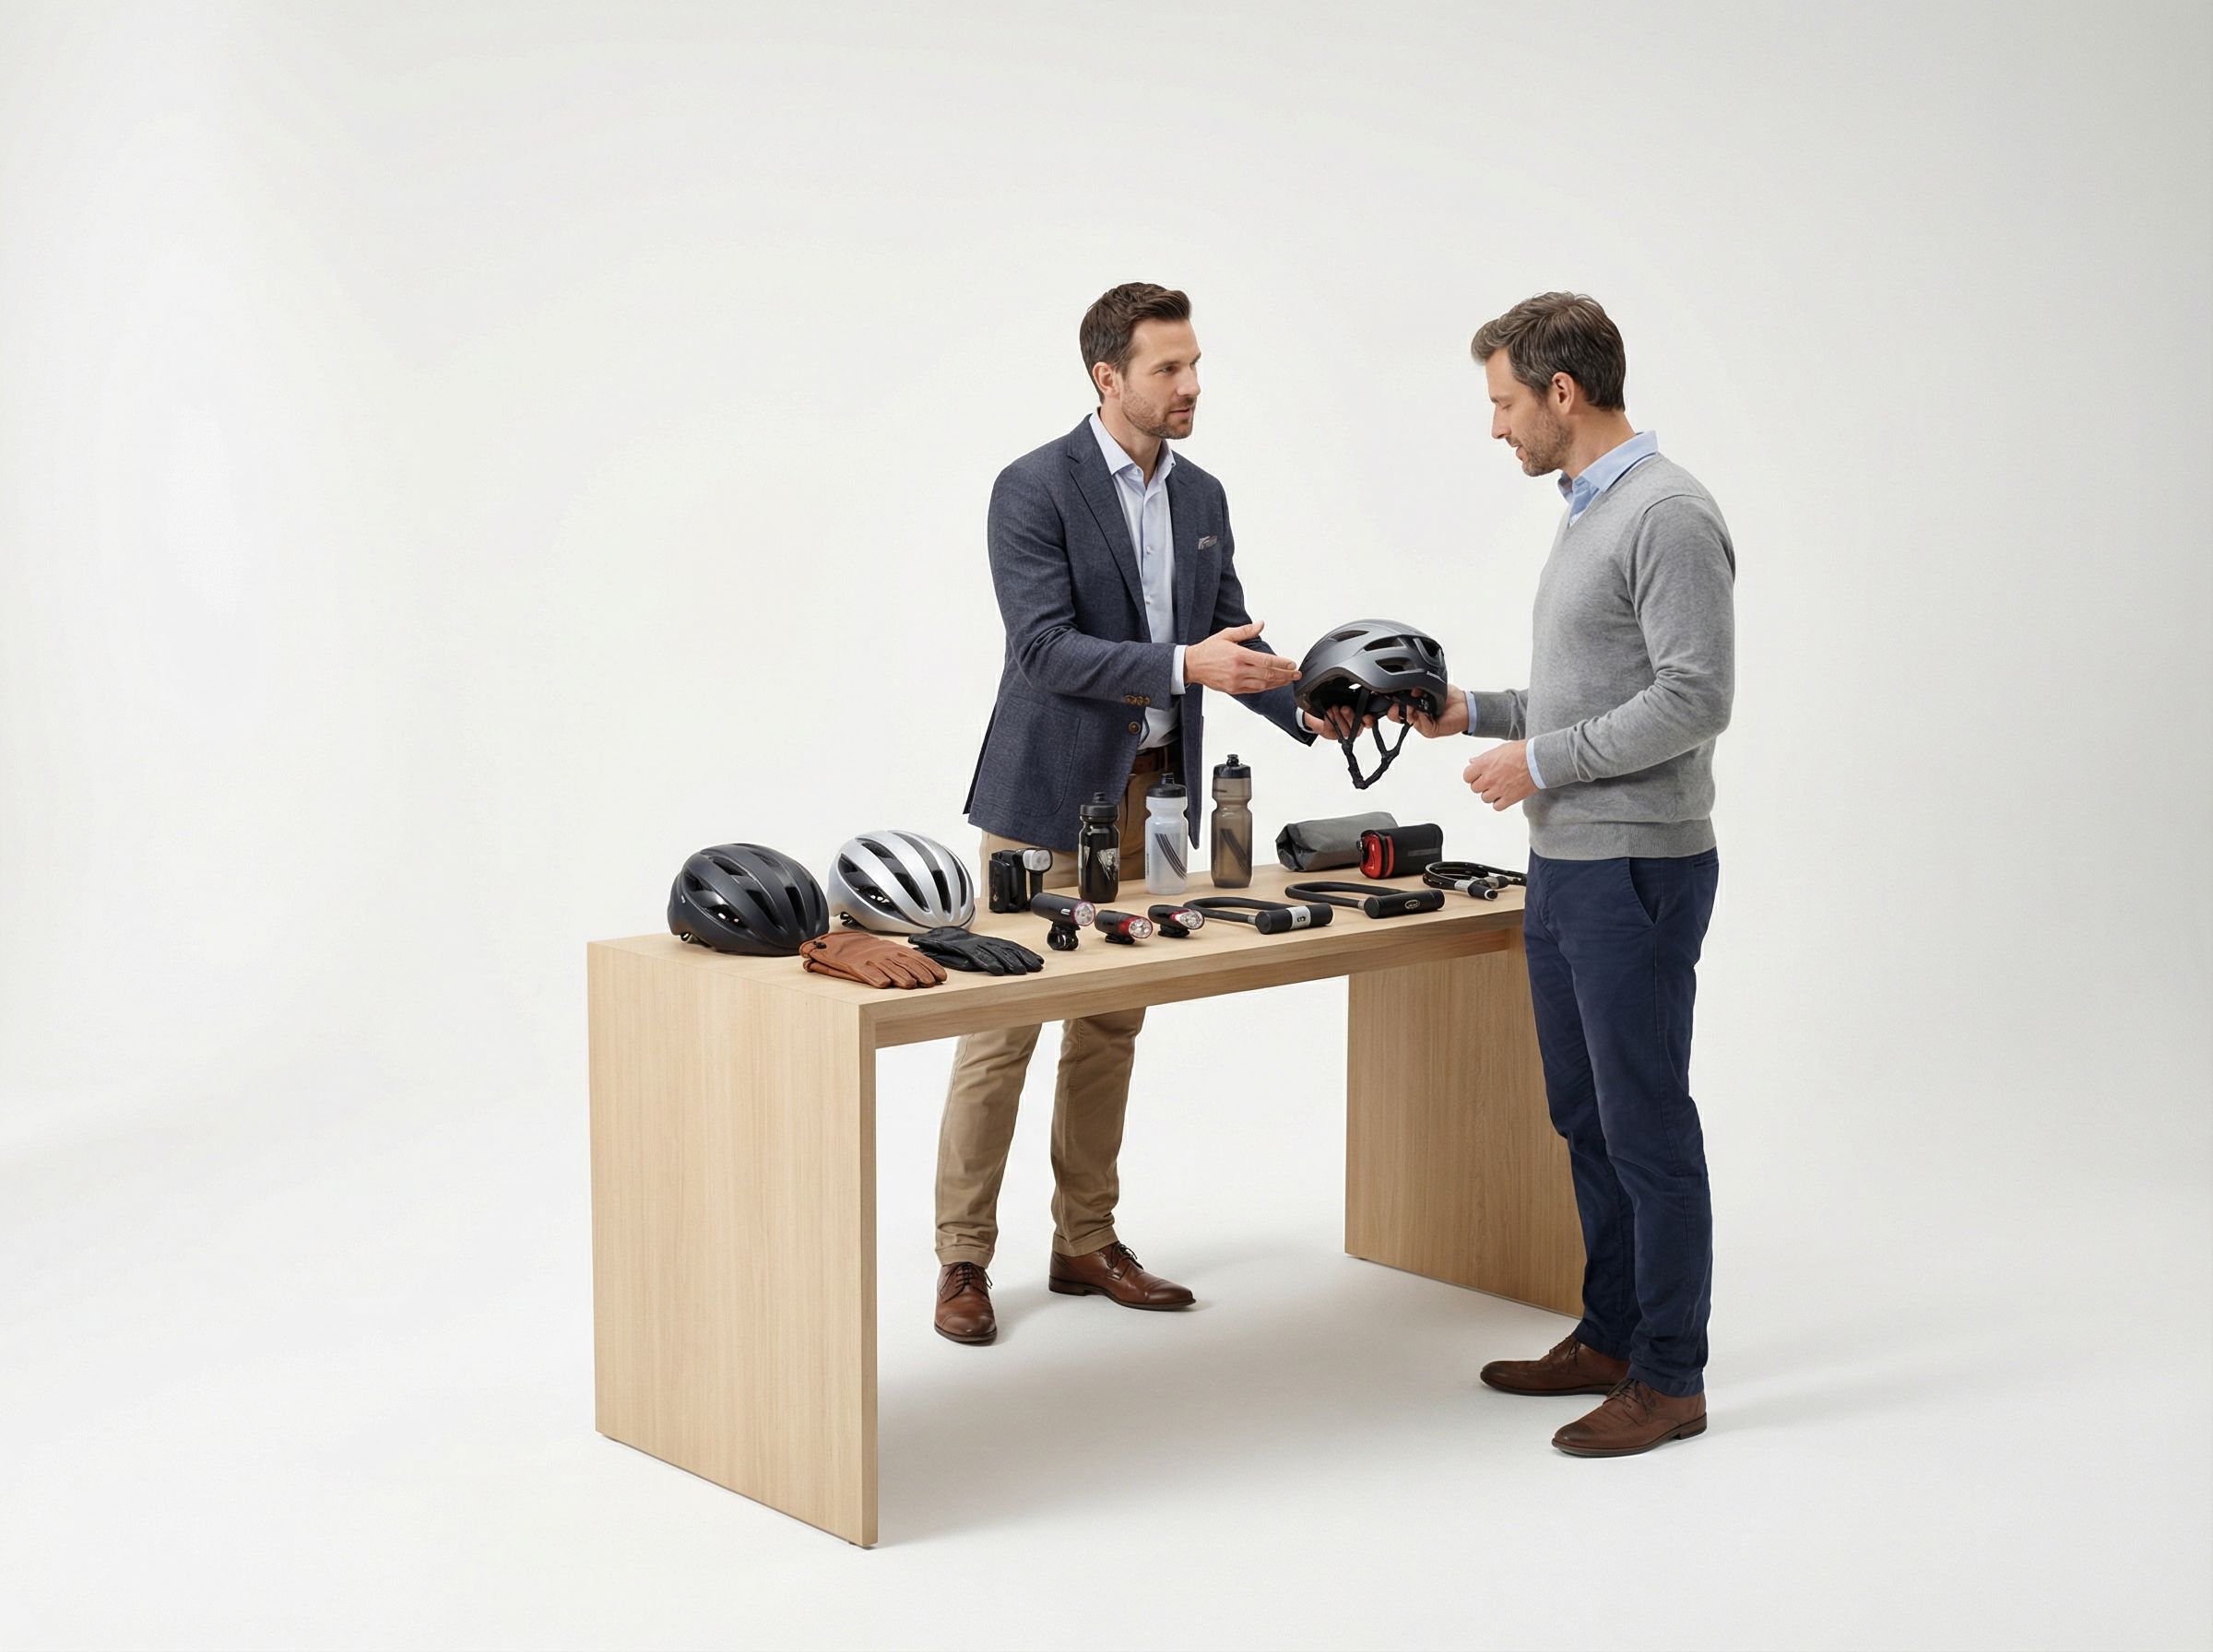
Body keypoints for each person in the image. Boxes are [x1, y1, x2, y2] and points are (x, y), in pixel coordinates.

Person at [937, 282, 1336, 1345]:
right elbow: (1043, 646)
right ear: (1108, 377)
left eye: (1195, 363)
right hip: (1044, 800)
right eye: (1169, 368)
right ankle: (963, 1257)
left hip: (1154, 795)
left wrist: (1316, 710)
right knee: (1001, 1024)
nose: (1192, 384)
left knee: (1113, 1018)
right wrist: (1178, 662)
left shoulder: (1201, 495)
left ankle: (1085, 1240)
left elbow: (1225, 636)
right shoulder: (1032, 487)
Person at [1408, 291, 1735, 1456]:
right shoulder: (1588, 508)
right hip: (1567, 868)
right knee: (1585, 1115)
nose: (1496, 427)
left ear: (1562, 393)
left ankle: (1671, 1376)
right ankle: (1609, 1331)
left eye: (1504, 402)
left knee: (1646, 1123)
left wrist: (1538, 759)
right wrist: (1474, 712)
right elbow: (1600, 688)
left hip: (1637, 870)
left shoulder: (1668, 514)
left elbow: (1696, 700)